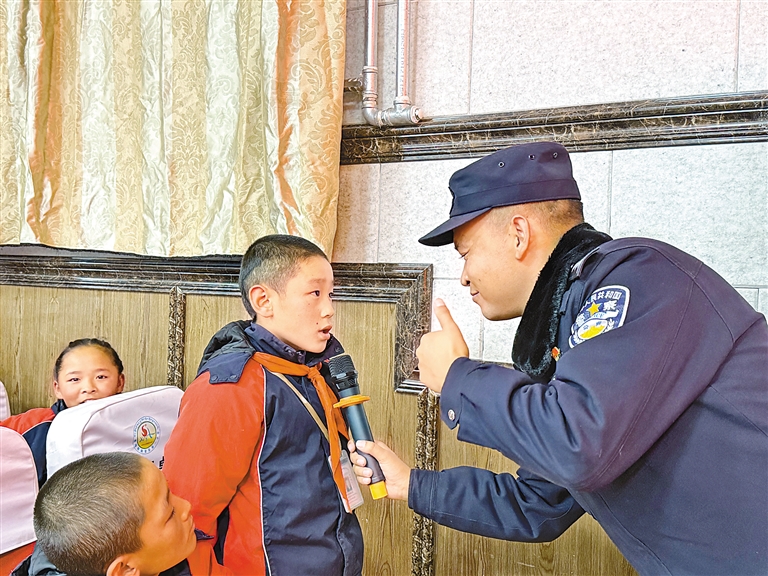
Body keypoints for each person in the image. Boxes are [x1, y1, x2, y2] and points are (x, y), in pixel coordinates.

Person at [351, 141, 768, 575]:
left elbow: (578, 444)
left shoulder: (640, 275)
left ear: (518, 233)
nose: (463, 277)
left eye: (466, 254)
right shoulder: (568, 326)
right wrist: (409, 483)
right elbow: (537, 503)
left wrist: (458, 377)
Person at [162, 234, 363, 576]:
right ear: (264, 301)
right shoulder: (230, 387)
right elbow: (188, 513)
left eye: (331, 294)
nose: (329, 308)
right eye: (314, 293)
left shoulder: (317, 367)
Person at [11, 452, 214, 576]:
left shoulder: (172, 555)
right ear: (125, 570)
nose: (186, 506)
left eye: (170, 492)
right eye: (170, 513)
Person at [1, 338, 126, 485]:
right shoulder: (36, 425)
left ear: (120, 382)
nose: (88, 387)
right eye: (74, 379)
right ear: (58, 388)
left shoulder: (136, 422)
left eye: (101, 377)